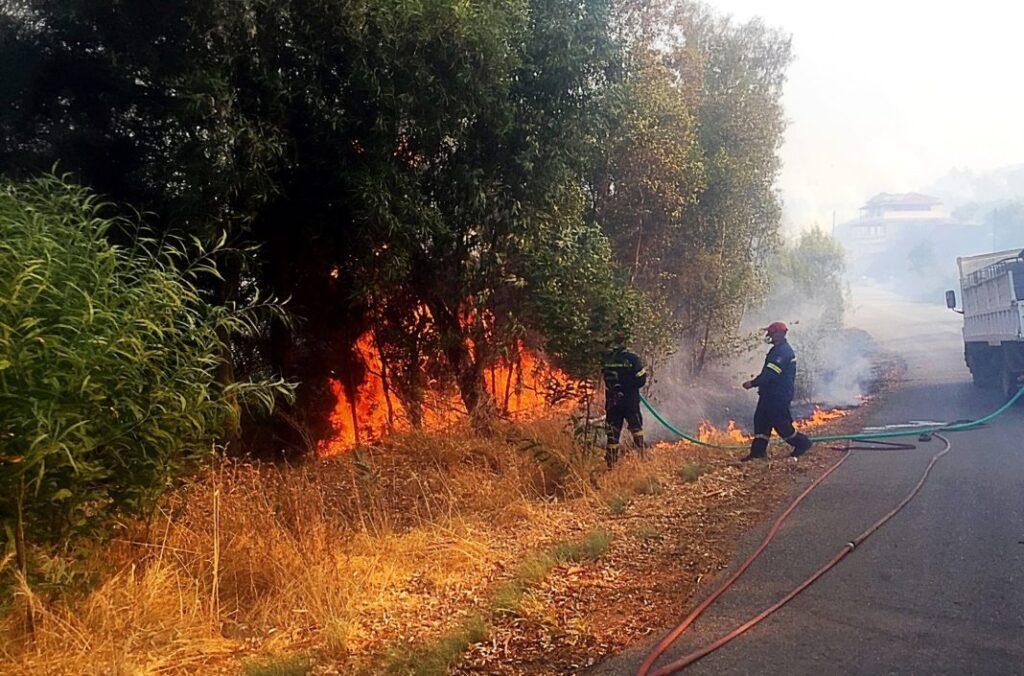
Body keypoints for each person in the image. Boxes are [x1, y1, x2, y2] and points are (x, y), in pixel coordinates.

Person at [741, 322, 813, 461]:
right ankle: (758, 453)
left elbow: (770, 374)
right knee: (761, 421)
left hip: (778, 396)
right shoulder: (777, 349)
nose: (768, 335)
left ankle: (803, 443)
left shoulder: (783, 352)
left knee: (782, 425)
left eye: (771, 332)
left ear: (780, 334)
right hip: (769, 395)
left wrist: (753, 383)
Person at [602, 346, 648, 467]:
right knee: (636, 428)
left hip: (613, 402)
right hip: (630, 401)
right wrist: (629, 385)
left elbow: (606, 379)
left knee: (613, 432)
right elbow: (642, 379)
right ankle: (641, 456)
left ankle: (611, 462)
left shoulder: (608, 360)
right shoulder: (632, 359)